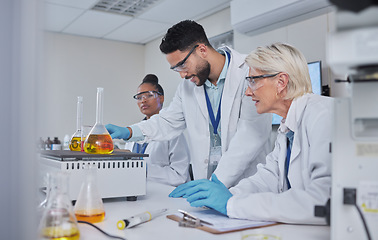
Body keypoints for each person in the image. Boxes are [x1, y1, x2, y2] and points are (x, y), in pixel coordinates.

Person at [169, 42, 333, 225]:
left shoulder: (324, 115)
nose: (247, 92)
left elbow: (322, 200)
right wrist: (226, 194)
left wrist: (231, 204)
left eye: (253, 81)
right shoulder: (287, 129)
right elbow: (267, 178)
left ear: (281, 82)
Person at [106, 20, 272, 188]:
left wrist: (217, 183)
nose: (182, 75)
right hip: (207, 183)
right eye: (176, 69)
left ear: (202, 50)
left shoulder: (249, 72)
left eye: (182, 65)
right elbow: (168, 121)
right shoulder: (187, 86)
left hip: (247, 185)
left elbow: (251, 136)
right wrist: (128, 132)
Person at [125, 74, 190, 186]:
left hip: (166, 196)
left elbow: (180, 176)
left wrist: (144, 170)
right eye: (139, 97)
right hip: (136, 192)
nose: (143, 101)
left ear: (161, 98)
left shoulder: (173, 131)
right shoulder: (132, 132)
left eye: (148, 95)